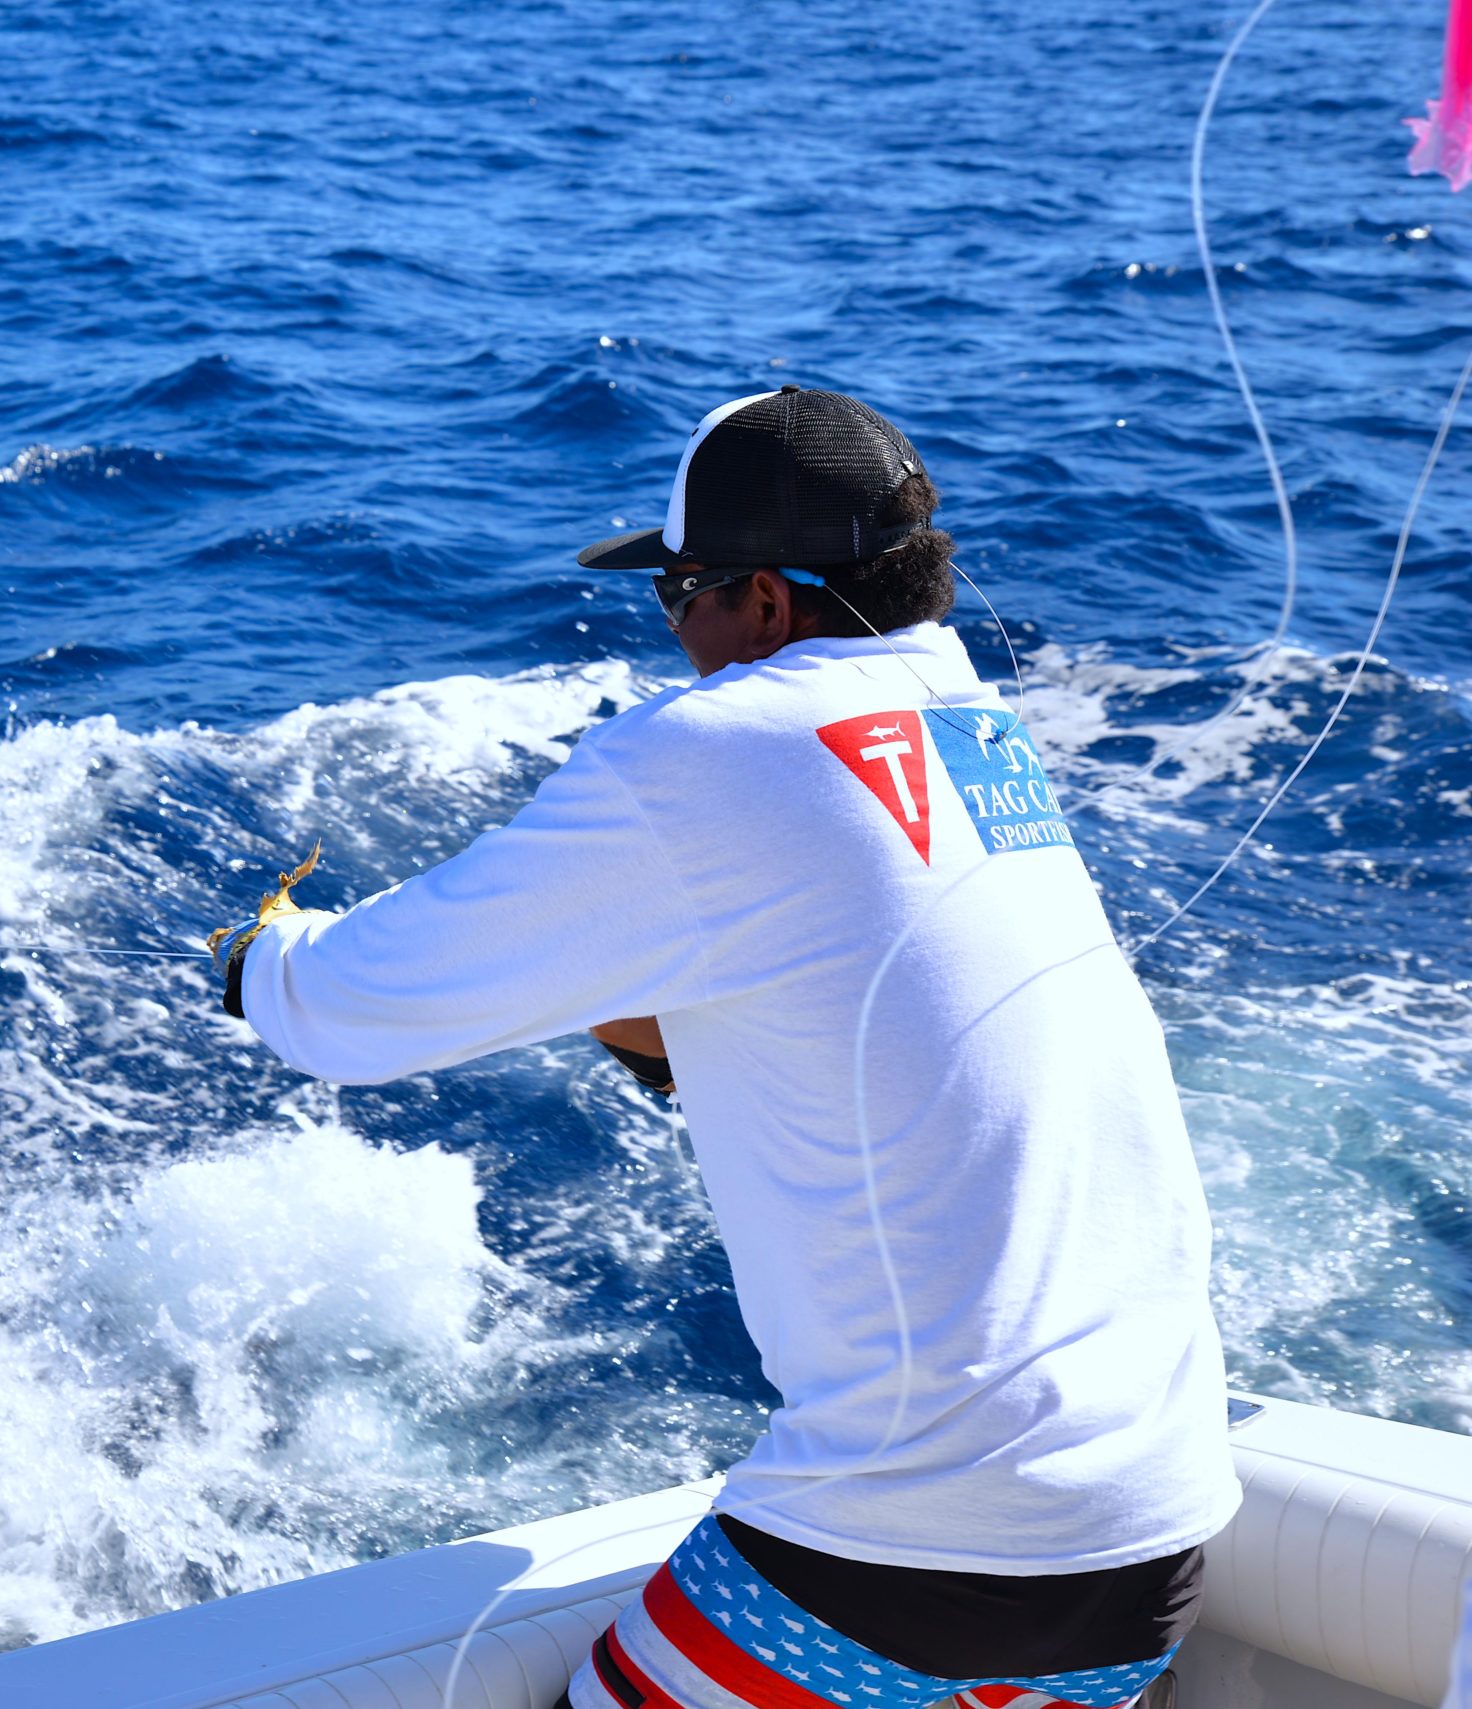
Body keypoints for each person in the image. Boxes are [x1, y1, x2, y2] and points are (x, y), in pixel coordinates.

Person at [211, 387, 1238, 1709]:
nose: (675, 635)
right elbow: (872, 1018)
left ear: (763, 599)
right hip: (1152, 1539)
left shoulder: (707, 747)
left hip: (924, 1554)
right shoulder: (975, 730)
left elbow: (354, 1010)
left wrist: (260, 961)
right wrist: (650, 1038)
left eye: (679, 593)